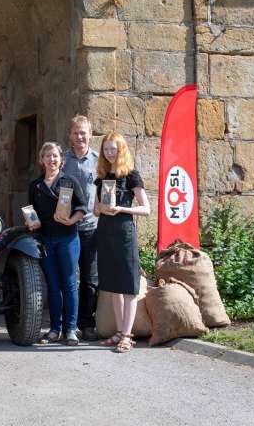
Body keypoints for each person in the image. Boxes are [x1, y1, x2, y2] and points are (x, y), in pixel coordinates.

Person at [93, 132, 150, 353]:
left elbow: (146, 209)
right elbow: (95, 210)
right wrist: (100, 208)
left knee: (128, 286)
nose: (109, 153)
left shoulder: (132, 176)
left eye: (113, 149)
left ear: (121, 150)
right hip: (105, 233)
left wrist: (121, 209)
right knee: (113, 287)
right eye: (106, 149)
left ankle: (127, 336)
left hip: (124, 234)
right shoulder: (101, 178)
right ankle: (118, 331)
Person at [28, 142, 87, 345]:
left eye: (55, 156)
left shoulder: (69, 181)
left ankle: (70, 329)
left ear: (61, 159)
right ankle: (54, 329)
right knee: (53, 285)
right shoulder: (35, 186)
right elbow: (31, 211)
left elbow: (82, 207)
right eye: (47, 156)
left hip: (68, 238)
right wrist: (31, 222)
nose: (51, 159)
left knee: (69, 283)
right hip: (46, 240)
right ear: (42, 159)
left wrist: (72, 220)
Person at [61, 115, 99, 341]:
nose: (79, 137)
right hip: (66, 227)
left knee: (90, 279)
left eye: (83, 132)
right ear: (70, 135)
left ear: (90, 134)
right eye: (75, 133)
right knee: (68, 277)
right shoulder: (62, 160)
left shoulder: (98, 160)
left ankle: (87, 323)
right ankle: (68, 324)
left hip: (91, 227)